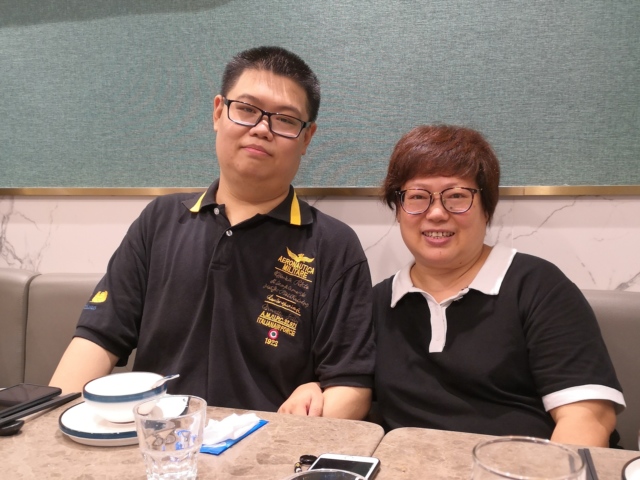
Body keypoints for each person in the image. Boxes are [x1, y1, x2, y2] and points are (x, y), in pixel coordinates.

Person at [49, 46, 374, 419]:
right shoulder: (159, 220)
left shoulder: (333, 245)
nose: (262, 128)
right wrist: (51, 426)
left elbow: (351, 384)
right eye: (247, 109)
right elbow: (97, 338)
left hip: (267, 446)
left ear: (306, 137)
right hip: (158, 443)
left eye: (285, 120)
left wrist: (293, 440)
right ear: (218, 112)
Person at [373, 124, 625, 446]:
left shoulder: (538, 286)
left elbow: (587, 416)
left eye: (457, 196)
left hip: (528, 465)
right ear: (398, 209)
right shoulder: (377, 302)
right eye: (418, 197)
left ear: (487, 207)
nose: (436, 213)